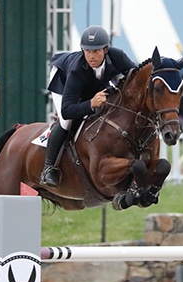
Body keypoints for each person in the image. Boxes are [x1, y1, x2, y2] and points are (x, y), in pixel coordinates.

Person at [40, 25, 136, 188]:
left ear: (106, 49)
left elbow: (134, 77)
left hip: (92, 83)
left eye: (96, 51)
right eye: (87, 51)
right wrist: (90, 104)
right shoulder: (76, 70)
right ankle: (49, 168)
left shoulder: (118, 56)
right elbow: (68, 110)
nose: (91, 56)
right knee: (65, 121)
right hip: (62, 78)